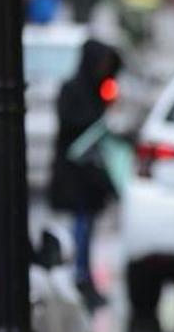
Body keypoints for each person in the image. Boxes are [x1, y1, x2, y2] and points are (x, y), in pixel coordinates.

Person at [48, 39, 121, 309]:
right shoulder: (73, 90)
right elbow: (69, 124)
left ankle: (84, 275)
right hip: (73, 175)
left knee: (88, 226)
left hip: (90, 176)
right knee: (79, 226)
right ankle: (78, 276)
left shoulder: (98, 91)